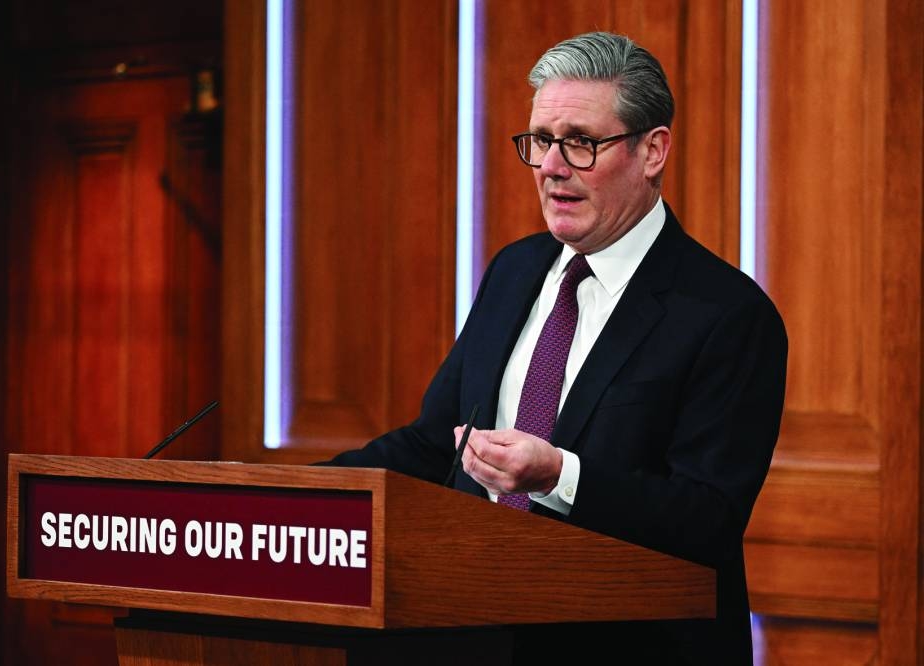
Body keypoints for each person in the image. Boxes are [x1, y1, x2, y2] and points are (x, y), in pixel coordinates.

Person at [324, 31, 787, 665]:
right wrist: (301, 496)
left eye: (581, 142)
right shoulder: (516, 270)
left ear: (653, 150)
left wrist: (559, 475)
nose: (550, 165)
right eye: (542, 140)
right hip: (471, 634)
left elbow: (706, 517)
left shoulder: (727, 313)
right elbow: (437, 443)